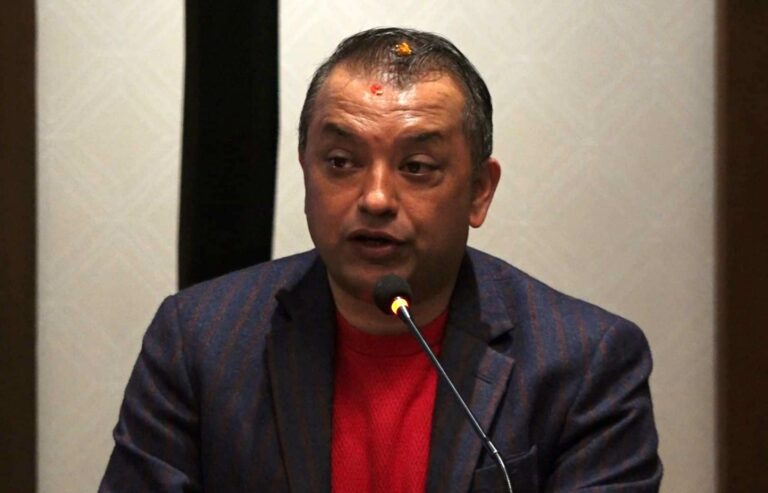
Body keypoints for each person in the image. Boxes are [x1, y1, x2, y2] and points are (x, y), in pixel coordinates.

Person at [100, 27, 662, 492]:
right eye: (341, 161)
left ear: (478, 192)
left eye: (416, 167)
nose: (374, 198)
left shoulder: (585, 363)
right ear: (305, 170)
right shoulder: (199, 341)